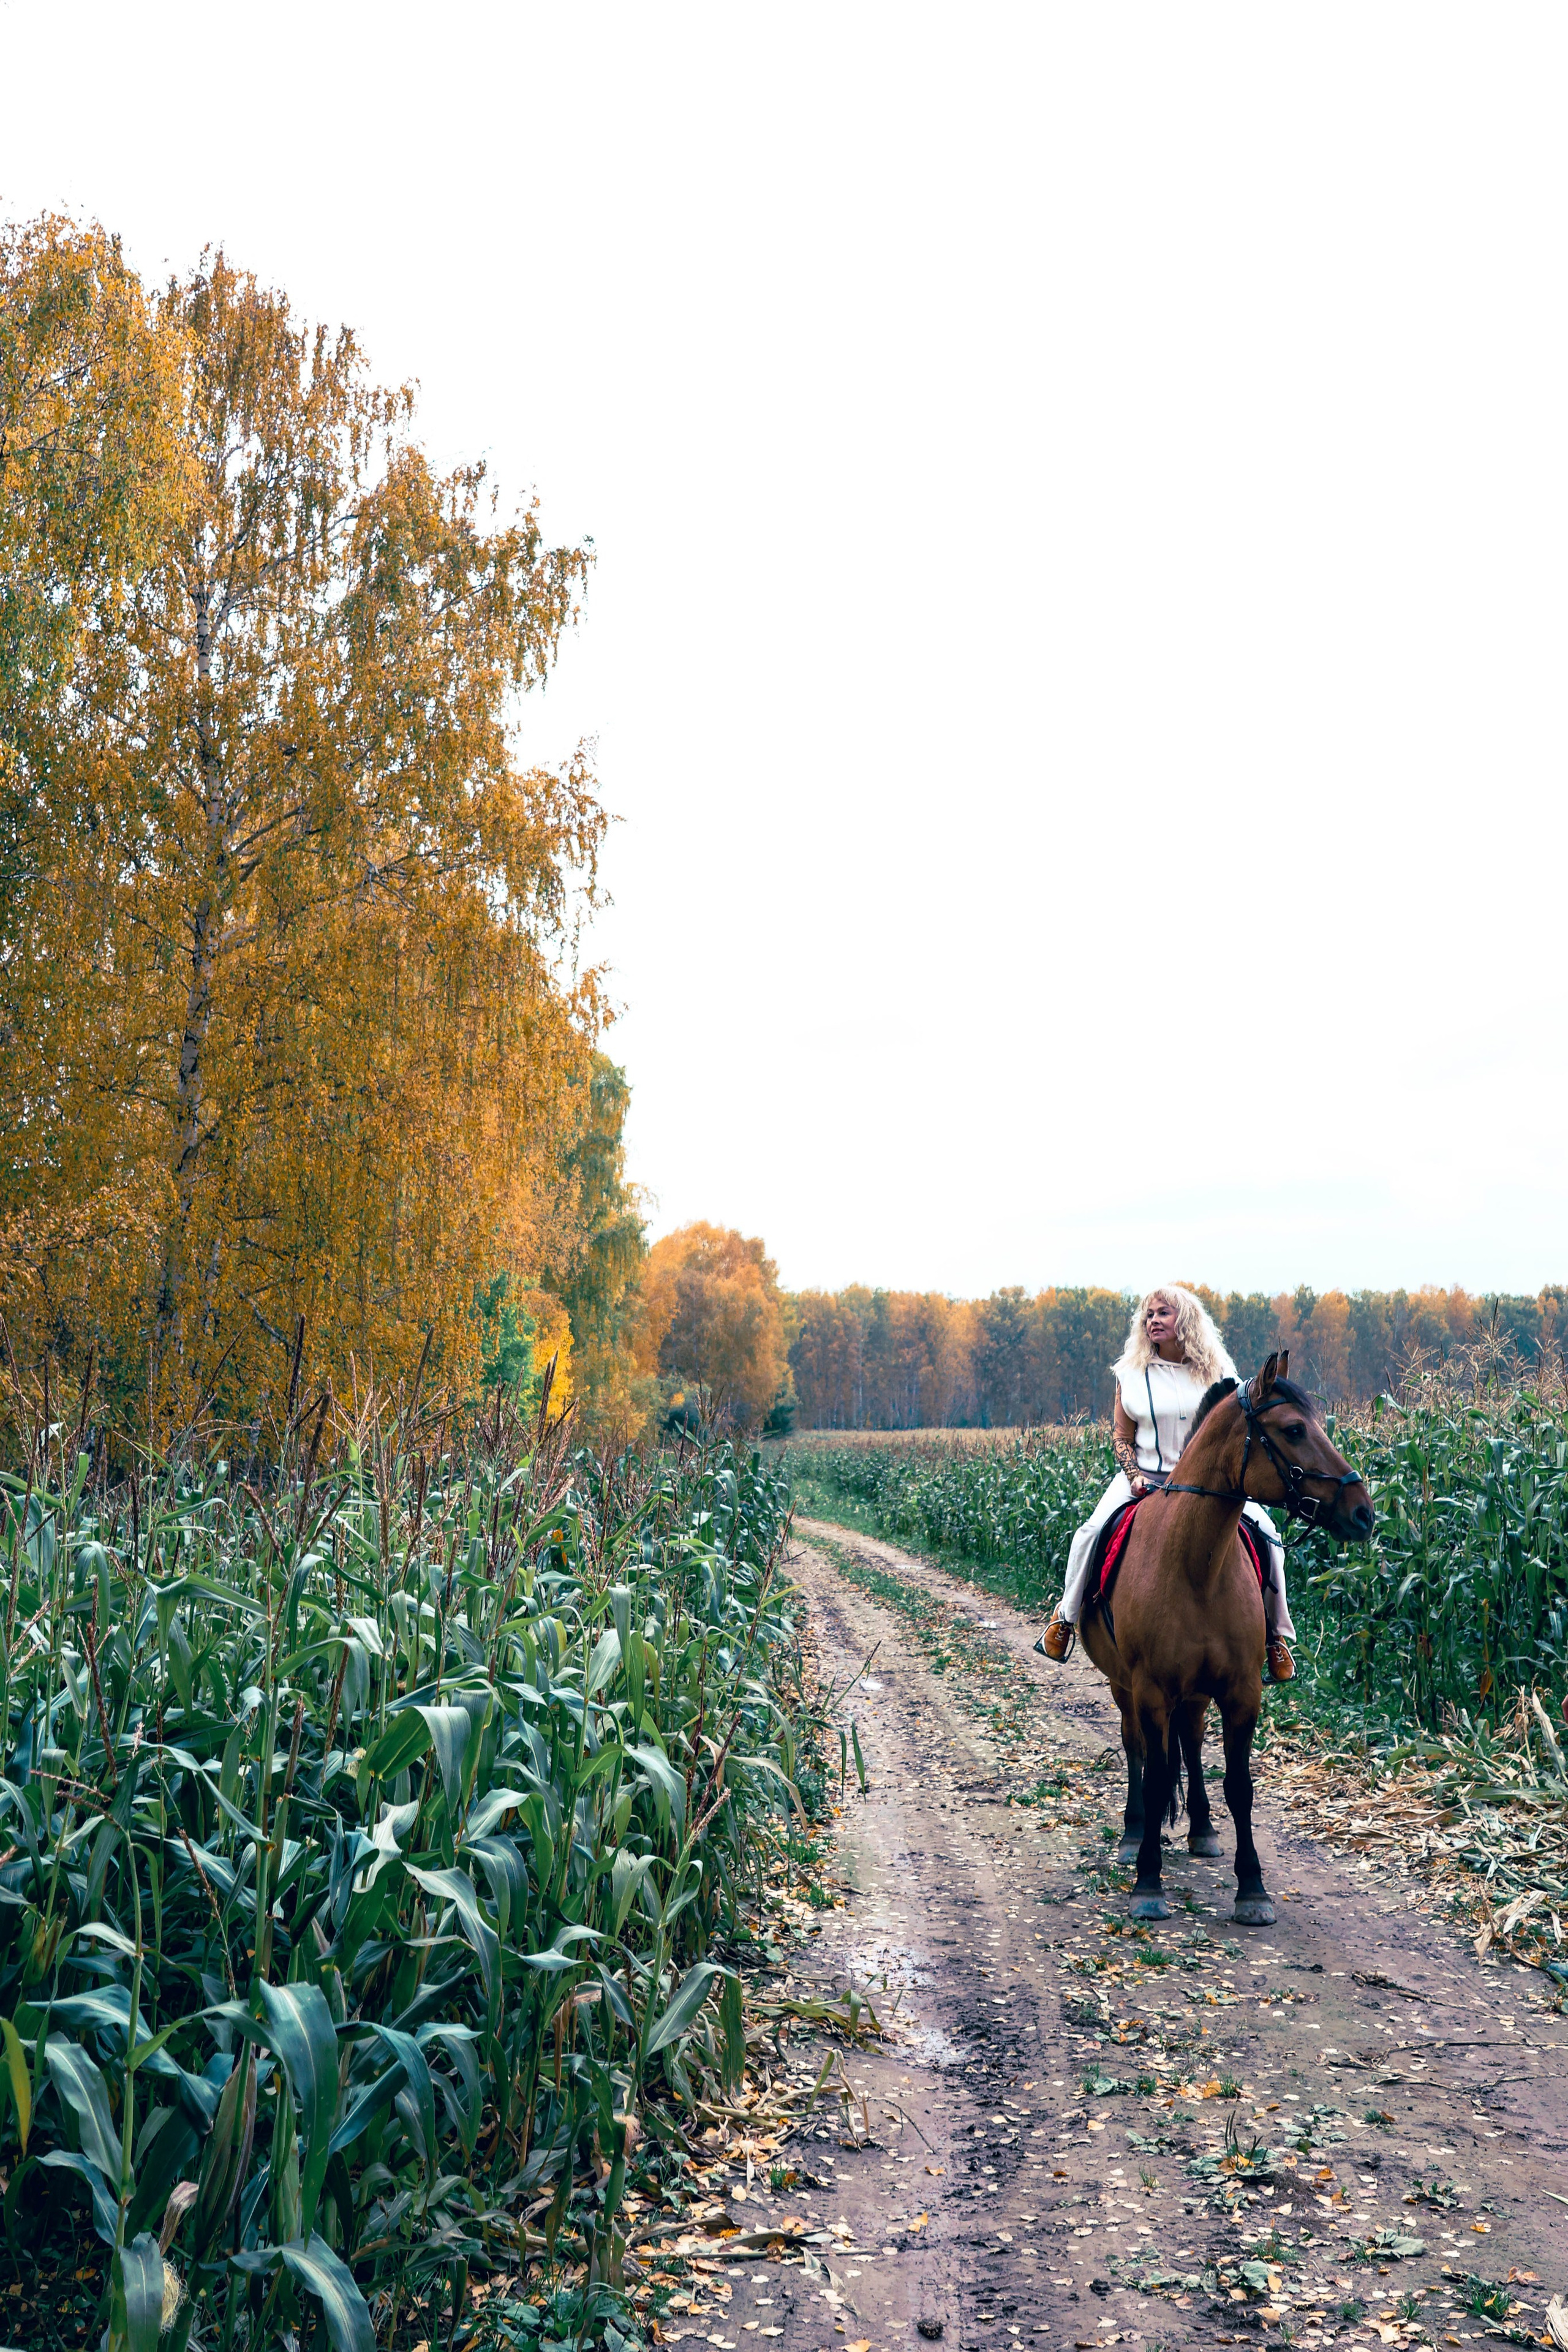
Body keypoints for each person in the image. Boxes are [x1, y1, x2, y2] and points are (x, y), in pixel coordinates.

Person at [1038, 1286, 1297, 1682]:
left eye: (1163, 1313)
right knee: (1090, 1532)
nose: (1152, 1321)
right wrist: (1134, 1477)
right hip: (1146, 1476)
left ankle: (1277, 1639)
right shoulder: (1130, 1374)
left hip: (1209, 1484)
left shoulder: (1221, 1373)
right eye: (1148, 1315)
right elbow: (1122, 1438)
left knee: (1269, 1533)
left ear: (1186, 1321)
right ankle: (1065, 1619)